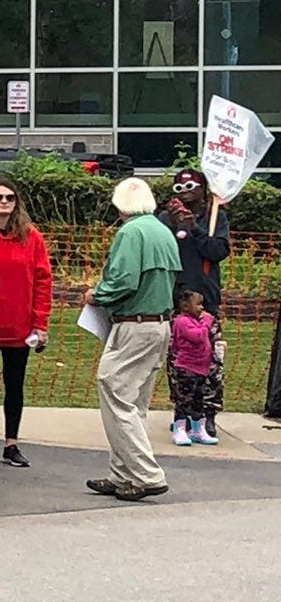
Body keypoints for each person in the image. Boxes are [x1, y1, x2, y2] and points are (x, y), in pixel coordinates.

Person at [84, 178, 180, 503]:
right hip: (160, 323)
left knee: (112, 385)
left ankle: (145, 474)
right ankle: (122, 473)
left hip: (134, 324)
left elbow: (123, 280)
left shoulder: (130, 232)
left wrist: (97, 294)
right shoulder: (162, 231)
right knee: (134, 400)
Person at [0, 176, 51, 469]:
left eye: (9, 198)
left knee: (15, 384)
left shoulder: (32, 237)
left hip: (19, 325)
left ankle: (12, 442)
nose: (4, 203)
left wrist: (41, 323)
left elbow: (43, 280)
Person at [160, 167, 230, 439]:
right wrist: (169, 223)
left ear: (202, 190)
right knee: (179, 363)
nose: (185, 192)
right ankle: (183, 413)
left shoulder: (215, 219)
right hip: (176, 299)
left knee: (210, 362)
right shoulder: (166, 218)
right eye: (180, 187)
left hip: (205, 302)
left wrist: (194, 228)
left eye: (191, 187)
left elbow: (217, 251)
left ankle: (207, 415)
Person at [169, 288, 222, 447]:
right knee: (184, 400)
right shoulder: (182, 322)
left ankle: (198, 429)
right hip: (186, 369)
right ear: (185, 307)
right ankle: (180, 429)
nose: (202, 308)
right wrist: (207, 322)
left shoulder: (196, 321)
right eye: (198, 305)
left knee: (199, 400)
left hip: (201, 368)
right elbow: (198, 336)